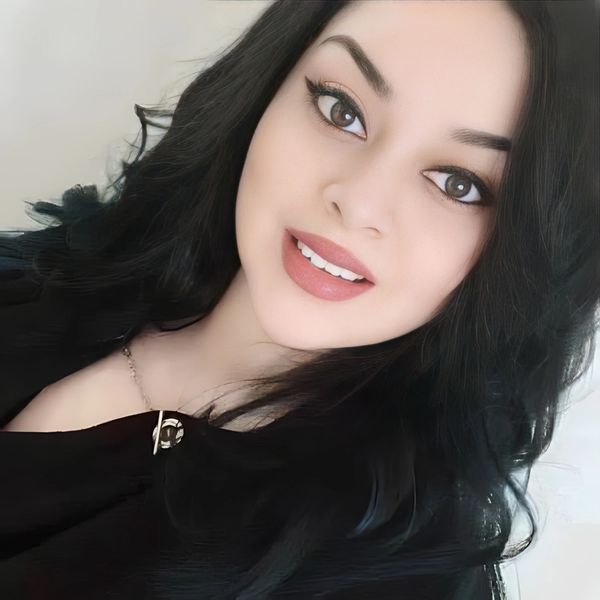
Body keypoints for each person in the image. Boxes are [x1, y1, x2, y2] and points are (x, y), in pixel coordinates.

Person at [0, 0, 597, 598]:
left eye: (458, 184)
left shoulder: (399, 578)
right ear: (267, 86)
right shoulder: (47, 279)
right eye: (342, 111)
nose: (357, 202)